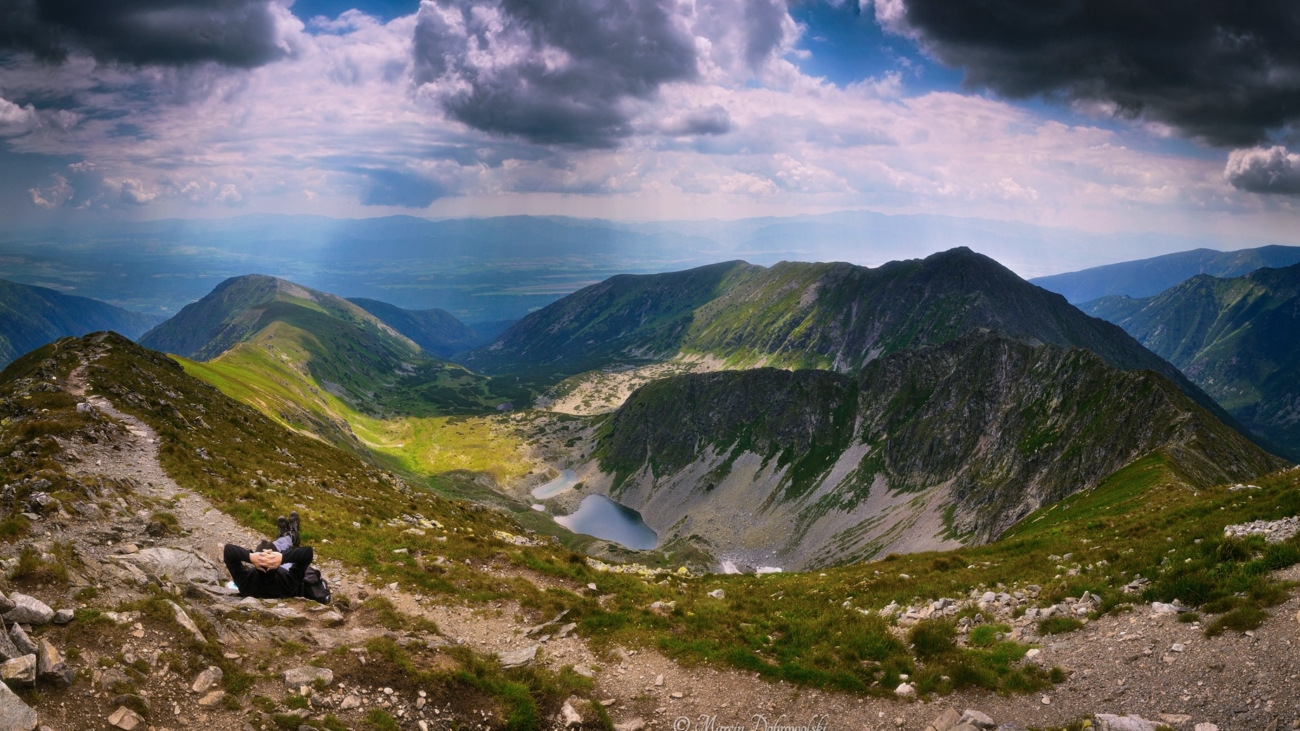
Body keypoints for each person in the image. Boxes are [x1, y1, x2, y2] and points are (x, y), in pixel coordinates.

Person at [223, 511, 314, 599]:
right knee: (280, 550)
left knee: (269, 546)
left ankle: (285, 538)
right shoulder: (288, 583)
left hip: (274, 582)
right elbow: (308, 552)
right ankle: (291, 537)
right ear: (277, 564)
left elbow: (228, 550)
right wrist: (282, 557)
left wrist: (250, 557)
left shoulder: (246, 585)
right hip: (284, 572)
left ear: (256, 563)